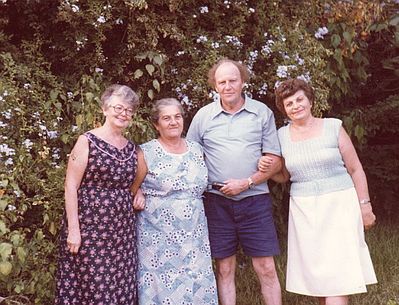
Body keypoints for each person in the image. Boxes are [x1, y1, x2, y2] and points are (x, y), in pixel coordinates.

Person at [259, 78, 377, 305]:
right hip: (304, 210)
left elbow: (355, 169)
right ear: (284, 110)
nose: (296, 106)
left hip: (339, 205)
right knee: (321, 278)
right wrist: (267, 169)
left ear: (310, 100)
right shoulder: (282, 136)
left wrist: (365, 206)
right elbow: (284, 176)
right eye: (289, 103)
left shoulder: (333, 126)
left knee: (337, 275)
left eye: (299, 99)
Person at [186, 58, 283, 305]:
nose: (228, 86)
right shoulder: (203, 116)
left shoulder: (261, 112)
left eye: (233, 80)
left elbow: (274, 159)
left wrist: (248, 181)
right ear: (215, 86)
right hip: (216, 202)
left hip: (255, 200)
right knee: (224, 269)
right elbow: (189, 157)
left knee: (266, 267)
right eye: (222, 82)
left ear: (242, 82)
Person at [55, 84, 146, 304]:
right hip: (89, 230)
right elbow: (70, 186)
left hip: (122, 233)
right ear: (105, 109)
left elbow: (134, 182)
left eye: (128, 110)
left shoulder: (133, 149)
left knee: (120, 286)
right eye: (118, 108)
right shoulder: (87, 141)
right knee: (94, 286)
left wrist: (139, 192)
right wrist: (74, 231)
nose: (123, 114)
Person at [136, 98, 218, 305]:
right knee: (164, 283)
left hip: (194, 232)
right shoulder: (146, 151)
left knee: (195, 278)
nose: (173, 122)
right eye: (166, 118)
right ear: (157, 124)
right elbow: (132, 187)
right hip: (157, 235)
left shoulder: (197, 149)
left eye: (177, 116)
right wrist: (137, 193)